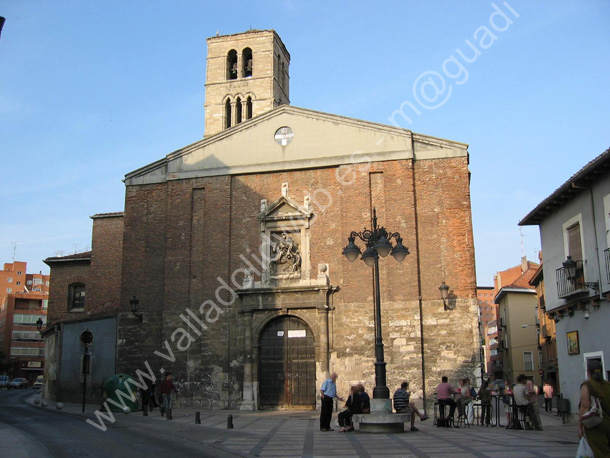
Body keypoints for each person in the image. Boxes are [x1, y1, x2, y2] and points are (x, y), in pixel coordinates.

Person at [578, 360, 610, 456]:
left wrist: (580, 426)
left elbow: (584, 407)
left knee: (600, 453)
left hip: (595, 426)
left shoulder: (587, 385)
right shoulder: (608, 385)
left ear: (588, 372)